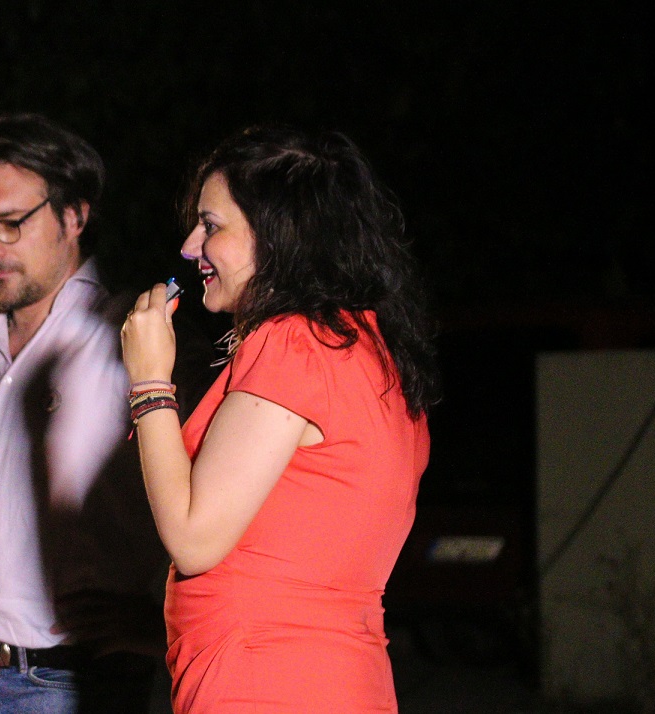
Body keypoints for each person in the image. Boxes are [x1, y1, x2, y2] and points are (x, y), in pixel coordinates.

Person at [120, 125, 440, 713]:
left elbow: (193, 538)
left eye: (211, 225)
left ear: (277, 234)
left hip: (264, 680)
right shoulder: (368, 349)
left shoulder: (295, 343)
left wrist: (148, 382)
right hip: (337, 679)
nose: (190, 246)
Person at [0, 114, 167, 714]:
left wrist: (159, 625)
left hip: (64, 684)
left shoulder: (130, 339)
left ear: (73, 216)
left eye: (10, 224)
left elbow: (236, 500)